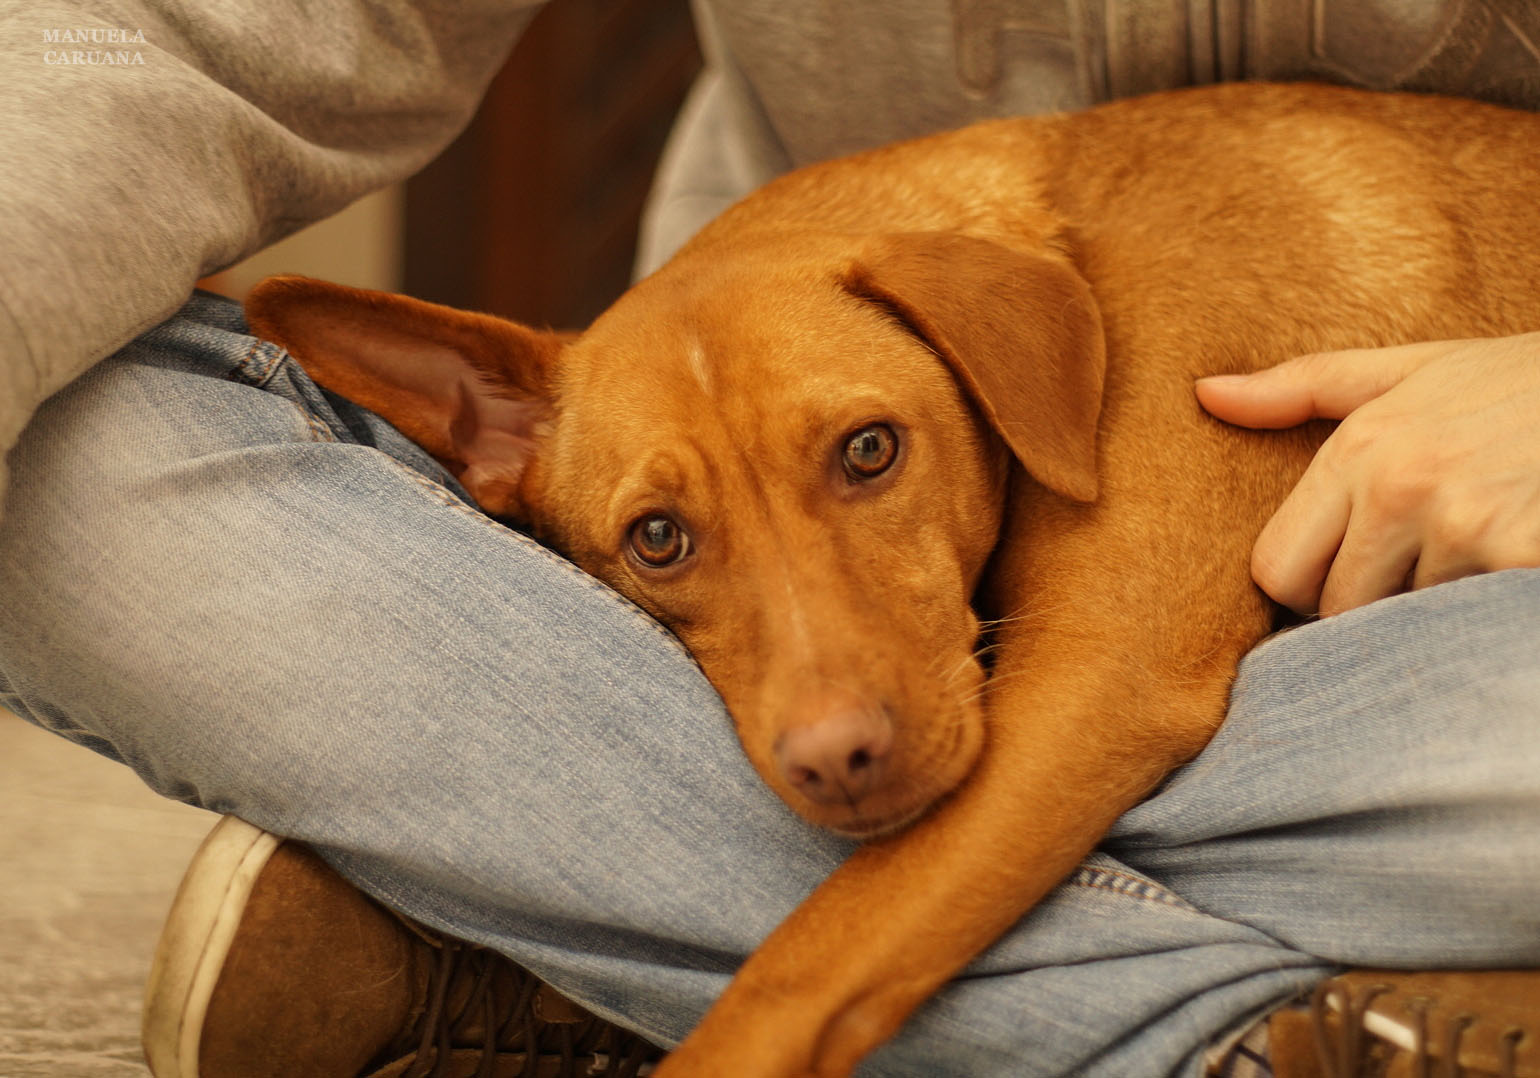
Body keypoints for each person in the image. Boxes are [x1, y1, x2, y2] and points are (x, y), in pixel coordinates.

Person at [2, 3, 1537, 1076]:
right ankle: (1238, 1031)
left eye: (868, 456)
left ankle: (584, 929)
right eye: (662, 539)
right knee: (56, 453)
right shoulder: (625, 421)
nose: (833, 726)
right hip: (811, 328)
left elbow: (1122, 689)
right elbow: (165, 26)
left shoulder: (1154, 263)